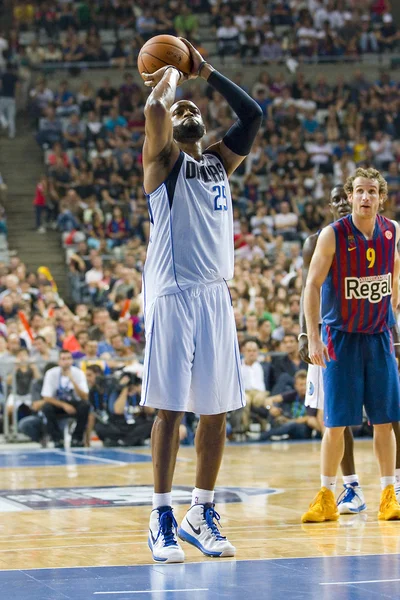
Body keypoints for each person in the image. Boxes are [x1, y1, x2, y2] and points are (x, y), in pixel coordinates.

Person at [140, 38, 262, 562]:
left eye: (195, 111)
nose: (188, 112)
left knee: (216, 414)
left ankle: (201, 510)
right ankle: (161, 514)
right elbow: (152, 110)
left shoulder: (217, 164)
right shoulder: (163, 162)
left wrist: (205, 72)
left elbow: (253, 112)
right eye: (181, 111)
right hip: (171, 294)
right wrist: (169, 79)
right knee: (170, 410)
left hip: (215, 297)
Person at [302, 167, 400, 523]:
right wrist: (312, 336)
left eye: (372, 191)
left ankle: (389, 493)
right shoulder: (332, 235)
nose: (365, 197)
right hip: (339, 338)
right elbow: (311, 286)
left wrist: (394, 316)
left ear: (380, 198)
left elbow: (394, 273)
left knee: (386, 421)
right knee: (336, 424)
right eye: (359, 190)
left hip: (378, 337)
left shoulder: (393, 232)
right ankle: (327, 494)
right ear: (350, 195)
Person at [299, 186, 368, 514]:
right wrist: (305, 334)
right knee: (335, 417)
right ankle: (351, 486)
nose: (343, 203)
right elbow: (306, 289)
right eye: (337, 199)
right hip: (330, 337)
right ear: (331, 205)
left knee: (386, 416)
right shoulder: (316, 242)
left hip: (368, 334)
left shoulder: (373, 237)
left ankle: (390, 485)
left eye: (347, 197)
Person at [41, 349, 90, 448]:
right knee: (46, 407)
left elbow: (84, 396)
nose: (66, 362)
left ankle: (77, 438)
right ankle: (57, 438)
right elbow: (46, 397)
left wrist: (72, 379)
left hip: (74, 402)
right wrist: (64, 405)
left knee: (85, 405)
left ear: (72, 360)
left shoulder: (78, 373)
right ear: (59, 361)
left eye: (68, 358)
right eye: (63, 359)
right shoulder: (51, 373)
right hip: (58, 403)